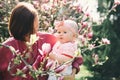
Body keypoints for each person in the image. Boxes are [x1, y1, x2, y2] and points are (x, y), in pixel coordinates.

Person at [0, 2, 83, 80]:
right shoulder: (7, 48)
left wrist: (72, 73)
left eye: (36, 26)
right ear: (21, 27)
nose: (35, 32)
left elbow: (75, 55)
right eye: (31, 28)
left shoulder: (48, 39)